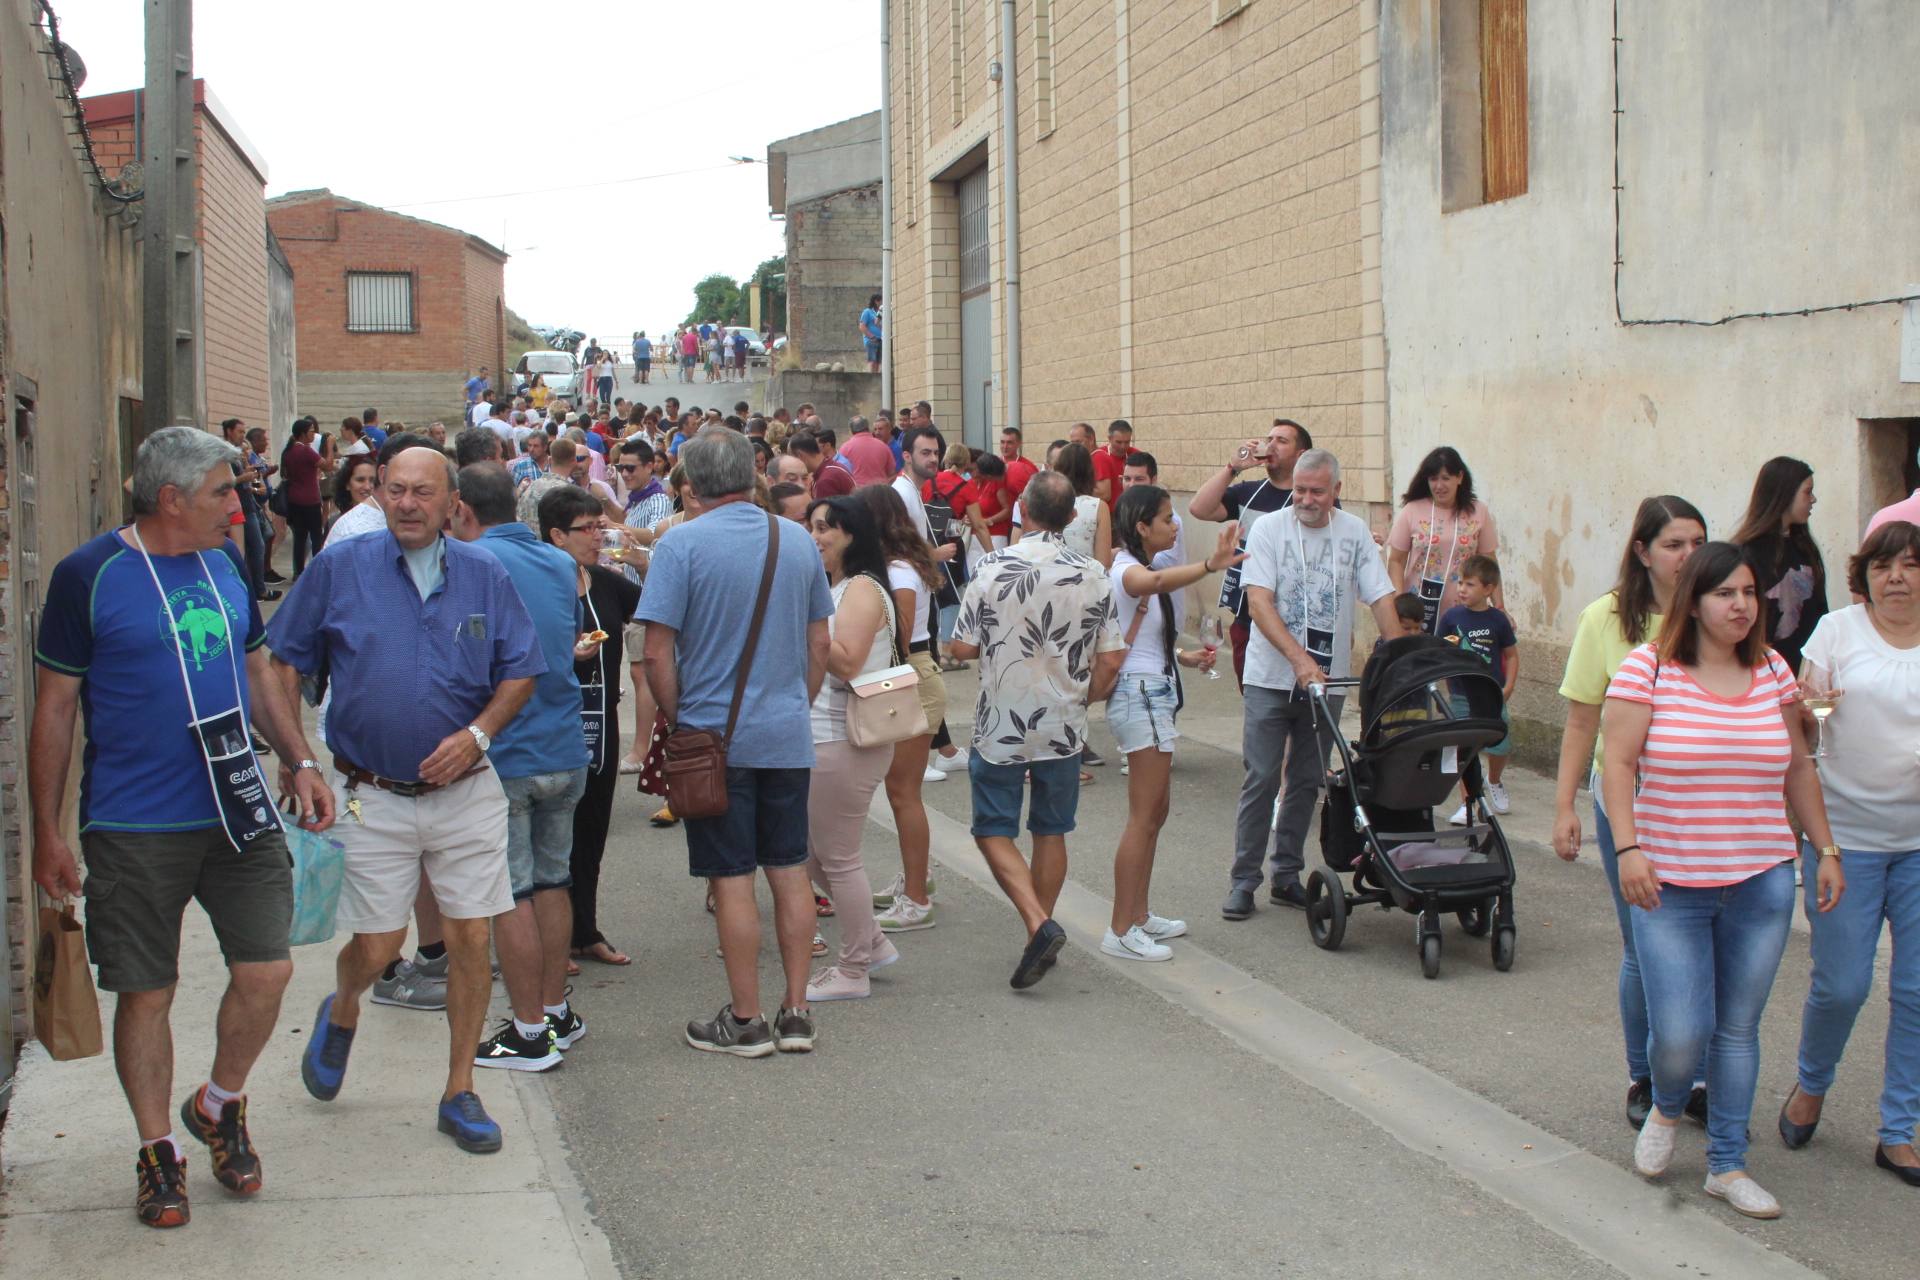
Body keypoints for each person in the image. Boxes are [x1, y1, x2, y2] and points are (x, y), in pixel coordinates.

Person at [29, 426, 331, 1228]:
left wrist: (298, 758)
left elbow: (257, 668)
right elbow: (55, 707)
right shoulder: (88, 576)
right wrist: (48, 833)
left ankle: (219, 1103)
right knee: (148, 990)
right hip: (133, 822)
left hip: (237, 810)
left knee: (268, 972)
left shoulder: (227, 565)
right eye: (222, 494)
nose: (238, 508)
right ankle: (158, 1150)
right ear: (170, 499)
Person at [268, 447, 544, 1157]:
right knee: (377, 943)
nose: (409, 503)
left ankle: (459, 1091)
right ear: (379, 496)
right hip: (371, 795)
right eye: (396, 490)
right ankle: (346, 1006)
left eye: (424, 492)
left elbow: (520, 672)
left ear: (453, 503)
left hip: (466, 794)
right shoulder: (339, 568)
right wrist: (299, 759)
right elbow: (279, 663)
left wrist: (479, 735)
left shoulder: (484, 574)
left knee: (469, 940)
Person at [1602, 541, 1840, 1221]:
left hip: (1761, 880)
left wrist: (1825, 848)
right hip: (1668, 884)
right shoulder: (1647, 671)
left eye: (1748, 592)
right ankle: (1669, 1106)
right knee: (1679, 1035)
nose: (1741, 605)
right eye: (1725, 594)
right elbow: (1617, 763)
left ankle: (1727, 1164)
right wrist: (1627, 848)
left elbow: (1798, 768)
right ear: (1694, 602)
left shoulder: (1771, 670)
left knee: (1736, 1029)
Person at [637, 429, 834, 1055]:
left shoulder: (680, 544)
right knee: (789, 870)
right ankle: (797, 1011)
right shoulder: (797, 540)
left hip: (713, 735)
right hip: (784, 733)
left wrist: (682, 717)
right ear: (750, 474)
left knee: (730, 878)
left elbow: (656, 651)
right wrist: (791, 705)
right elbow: (819, 645)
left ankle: (746, 1020)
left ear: (692, 479)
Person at [1551, 496, 1709, 1127]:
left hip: (1703, 809)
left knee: (1701, 948)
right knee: (1645, 946)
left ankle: (1696, 1080)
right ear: (1643, 553)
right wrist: (1564, 806)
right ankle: (1645, 1078)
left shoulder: (1720, 612)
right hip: (1631, 807)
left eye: (1699, 542)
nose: (1689, 556)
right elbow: (1582, 718)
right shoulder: (1607, 620)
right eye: (1675, 544)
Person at [1778, 520, 1920, 1186]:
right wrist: (1809, 708)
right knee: (1842, 985)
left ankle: (1897, 1129)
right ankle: (1812, 1084)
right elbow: (1803, 724)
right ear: (1864, 573)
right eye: (1885, 565)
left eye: (1913, 565)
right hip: (1846, 842)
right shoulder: (1836, 631)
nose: (1898, 577)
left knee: (1918, 991)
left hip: (1918, 844)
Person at [947, 472, 1126, 989]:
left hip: (1001, 717)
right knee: (1051, 829)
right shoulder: (1093, 572)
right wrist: (1084, 696)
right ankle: (1037, 933)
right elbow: (1112, 658)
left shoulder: (991, 566)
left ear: (1022, 509)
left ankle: (1038, 925)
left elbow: (961, 647)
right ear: (1073, 517)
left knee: (992, 830)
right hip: (1063, 722)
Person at [451, 464, 591, 1070]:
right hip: (563, 744)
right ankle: (555, 1009)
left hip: (506, 751)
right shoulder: (560, 564)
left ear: (461, 509)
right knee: (554, 880)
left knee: (514, 892)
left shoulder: (469, 563)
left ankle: (530, 1030)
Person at [1222, 449, 1398, 920]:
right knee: (1260, 777)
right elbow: (1258, 603)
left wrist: (1401, 653)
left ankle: (1285, 875)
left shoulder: (1354, 532)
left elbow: (1380, 595)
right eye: (1300, 490)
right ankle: (1243, 880)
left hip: (1329, 680)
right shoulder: (1270, 529)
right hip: (1271, 677)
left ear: (1336, 491)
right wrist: (1298, 659)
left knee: (1304, 781)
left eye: (1317, 491)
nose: (1306, 499)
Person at [1102, 484, 1241, 961]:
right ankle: (1120, 928)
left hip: (1153, 691)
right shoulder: (1126, 569)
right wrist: (1209, 565)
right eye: (1165, 519)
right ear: (1141, 527)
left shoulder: (1150, 567)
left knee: (1156, 813)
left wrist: (1186, 657)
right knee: (1142, 818)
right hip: (1138, 696)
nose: (1175, 524)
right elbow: (1150, 588)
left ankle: (1139, 916)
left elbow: (1145, 638)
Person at [800, 497, 906, 1001]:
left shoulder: (861, 589)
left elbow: (846, 662)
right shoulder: (837, 587)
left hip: (844, 737)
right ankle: (874, 942)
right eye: (813, 527)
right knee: (810, 854)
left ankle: (853, 969)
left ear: (852, 535)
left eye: (827, 528)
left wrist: (802, 618)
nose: (816, 536)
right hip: (824, 734)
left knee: (837, 858)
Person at [538, 486, 641, 968]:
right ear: (556, 535)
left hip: (600, 719)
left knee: (593, 828)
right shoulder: (537, 584)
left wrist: (642, 559)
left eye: (601, 526)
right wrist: (566, 655)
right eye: (587, 529)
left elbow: (660, 613)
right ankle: (549, 937)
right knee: (553, 833)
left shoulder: (606, 582)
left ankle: (585, 930)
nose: (598, 536)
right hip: (550, 722)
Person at [858, 484, 948, 934]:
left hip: (910, 675)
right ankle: (918, 878)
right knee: (901, 792)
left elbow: (903, 630)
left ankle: (916, 897)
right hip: (910, 675)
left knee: (903, 793)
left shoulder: (897, 571)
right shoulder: (898, 565)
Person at [1188, 419, 1314, 684]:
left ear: (1301, 454)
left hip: (1299, 621)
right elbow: (1199, 508)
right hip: (1248, 619)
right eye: (1270, 439)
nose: (1271, 445)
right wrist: (1233, 468)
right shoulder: (1250, 492)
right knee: (1258, 703)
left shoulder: (1312, 498)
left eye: (1282, 441)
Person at [1386, 445, 1502, 636]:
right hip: (1418, 612)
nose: (1439, 486)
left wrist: (1499, 606)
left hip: (1463, 607)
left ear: (1460, 477)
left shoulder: (1478, 512)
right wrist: (1399, 603)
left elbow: (1489, 562)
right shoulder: (1412, 510)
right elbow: (1396, 561)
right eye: (1433, 479)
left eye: (1446, 478)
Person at [1439, 554, 1519, 824]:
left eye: (1470, 584)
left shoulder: (1498, 620)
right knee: (1464, 747)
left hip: (1492, 694)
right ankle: (1468, 802)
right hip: (1461, 693)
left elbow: (1512, 655)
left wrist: (1508, 687)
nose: (1462, 589)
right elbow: (1440, 652)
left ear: (1488, 589)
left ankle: (1494, 780)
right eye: (1460, 582)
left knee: (1500, 743)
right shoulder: (1451, 618)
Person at [1730, 456, 1828, 673]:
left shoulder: (1805, 548)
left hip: (1805, 668)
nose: (1813, 499)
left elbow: (1820, 612)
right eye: (1807, 492)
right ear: (1785, 493)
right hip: (1761, 668)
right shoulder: (1748, 553)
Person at [1047, 443, 1112, 568]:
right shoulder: (1099, 507)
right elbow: (1103, 562)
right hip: (1085, 578)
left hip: (1050, 575)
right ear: (1090, 472)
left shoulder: (1047, 501)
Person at [280, 417, 325, 577]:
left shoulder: (289, 451)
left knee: (299, 538)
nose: (314, 434)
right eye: (311, 431)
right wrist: (331, 444)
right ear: (303, 434)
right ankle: (317, 571)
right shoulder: (306, 450)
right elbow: (327, 465)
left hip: (294, 499)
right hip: (310, 499)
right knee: (316, 537)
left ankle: (298, 572)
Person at [789, 427, 855, 497]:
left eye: (792, 458)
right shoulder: (831, 468)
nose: (791, 463)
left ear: (800, 456)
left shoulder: (825, 480)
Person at [326, 454, 378, 542]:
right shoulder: (334, 523)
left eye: (372, 480)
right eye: (360, 480)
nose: (367, 487)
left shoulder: (387, 522)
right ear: (347, 484)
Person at [841, 415, 896, 486]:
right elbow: (892, 474)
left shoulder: (845, 448)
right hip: (880, 492)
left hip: (856, 493)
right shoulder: (884, 447)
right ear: (868, 428)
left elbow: (840, 475)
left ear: (851, 430)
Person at [860, 292, 883, 373]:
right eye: (880, 301)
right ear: (876, 301)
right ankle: (871, 377)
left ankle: (876, 378)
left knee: (878, 363)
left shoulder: (881, 313)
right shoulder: (867, 312)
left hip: (881, 340)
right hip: (871, 340)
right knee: (872, 361)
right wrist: (871, 337)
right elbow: (862, 326)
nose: (881, 303)